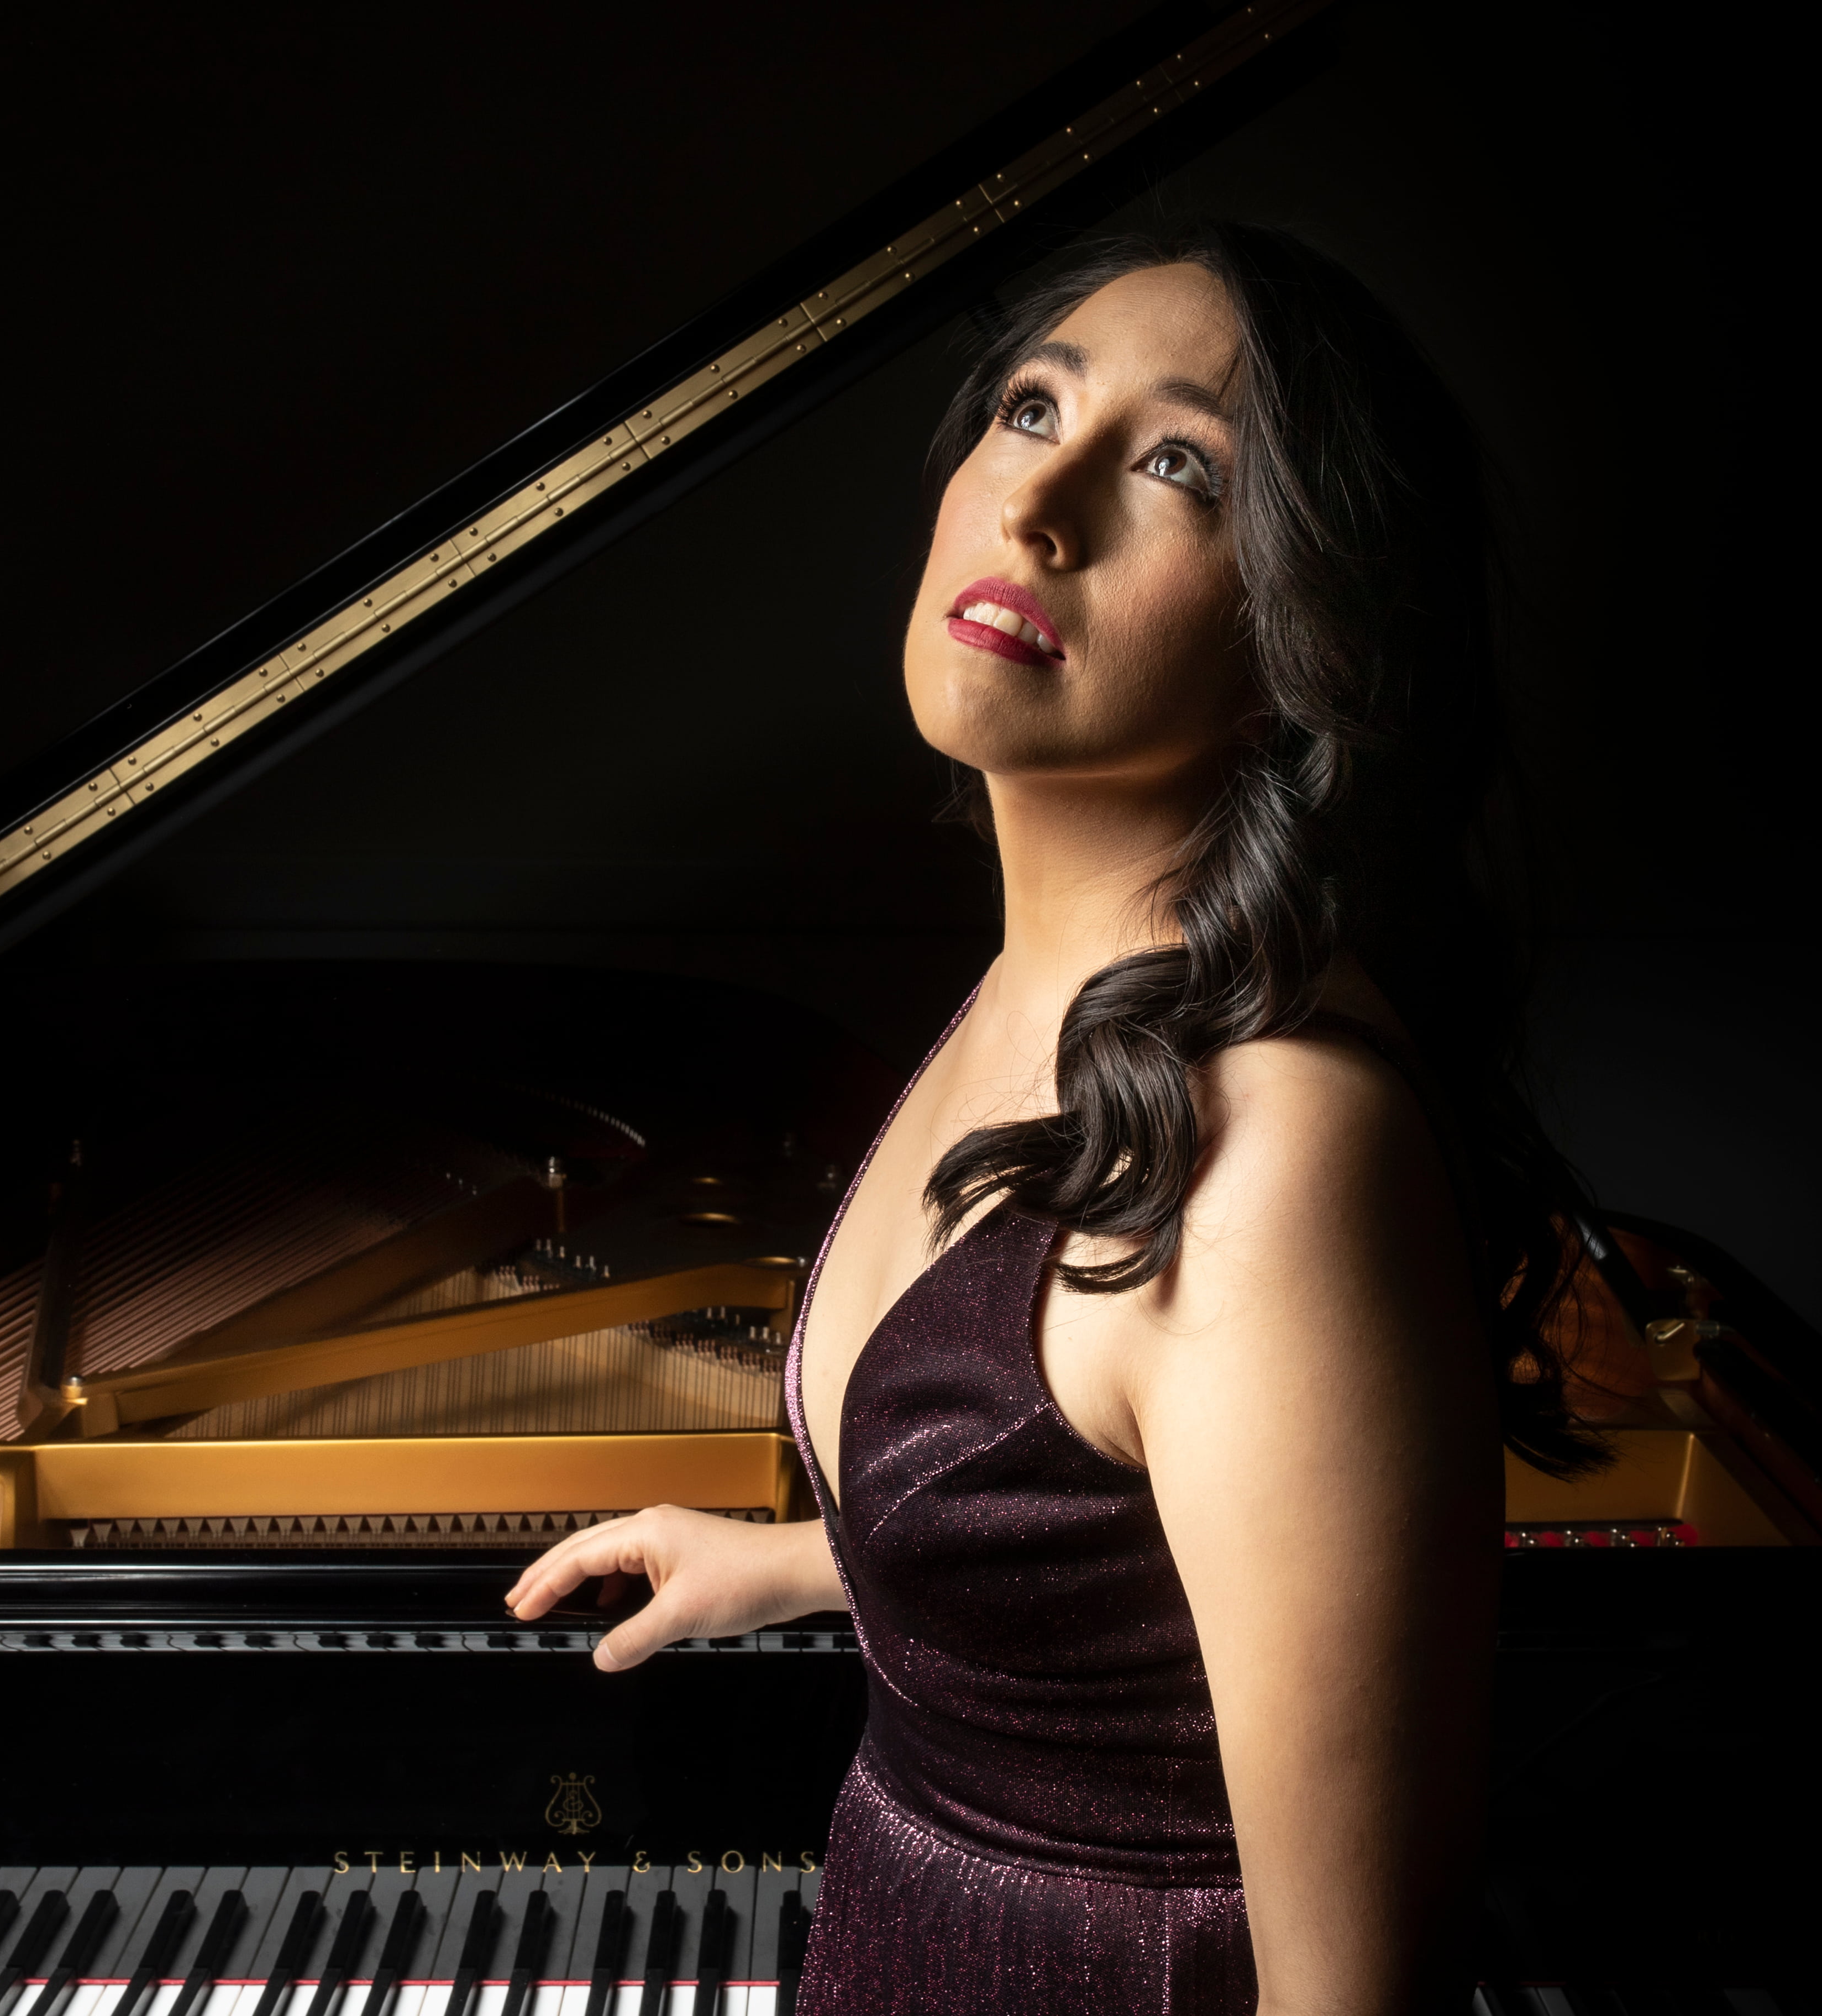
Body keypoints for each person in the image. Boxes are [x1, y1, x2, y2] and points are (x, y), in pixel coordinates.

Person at [508, 223, 1603, 2014]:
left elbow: (1357, 1994)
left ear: (1293, 634)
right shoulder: (1048, 989)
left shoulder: (1273, 1152)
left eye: (1176, 463)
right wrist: (817, 1562)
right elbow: (1111, 1544)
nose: (1040, 504)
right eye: (1032, 408)